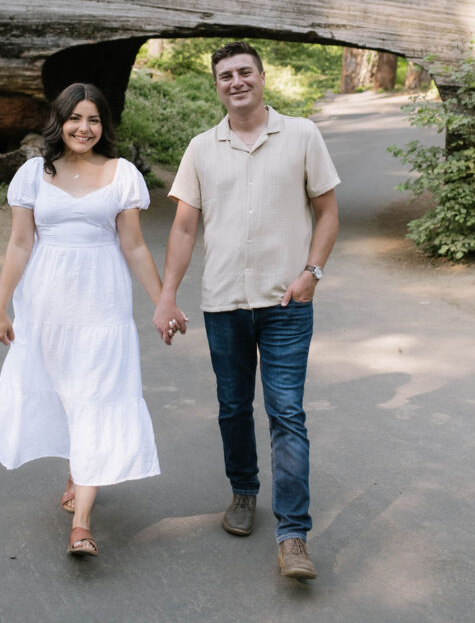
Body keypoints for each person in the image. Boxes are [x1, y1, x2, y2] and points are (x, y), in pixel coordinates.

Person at [154, 41, 340, 580]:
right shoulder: (200, 148)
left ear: (262, 77)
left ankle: (293, 535)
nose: (235, 82)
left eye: (244, 73)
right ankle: (242, 491)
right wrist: (168, 294)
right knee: (233, 407)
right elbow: (185, 227)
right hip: (223, 305)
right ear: (216, 86)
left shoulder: (302, 134)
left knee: (287, 414)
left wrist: (312, 273)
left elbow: (327, 212)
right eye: (225, 76)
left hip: (286, 303)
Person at [0, 82, 186, 557]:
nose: (84, 128)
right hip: (44, 307)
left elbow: (133, 246)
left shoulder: (121, 174)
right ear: (60, 121)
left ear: (104, 126)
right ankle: (79, 465)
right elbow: (19, 244)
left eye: (94, 120)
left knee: (97, 397)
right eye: (76, 118)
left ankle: (83, 523)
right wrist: (0, 306)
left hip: (102, 307)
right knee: (61, 392)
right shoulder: (33, 174)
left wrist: (163, 302)